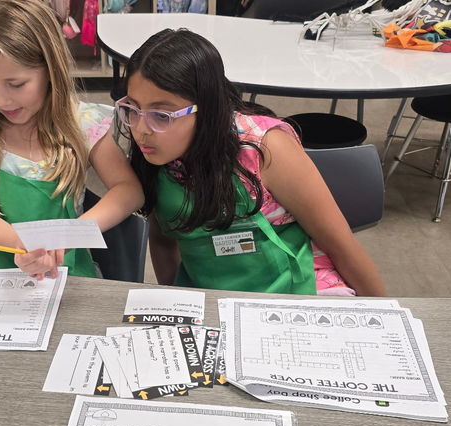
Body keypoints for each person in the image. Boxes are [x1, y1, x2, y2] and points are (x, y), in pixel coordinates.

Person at [116, 29, 386, 296]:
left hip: (294, 292)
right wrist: (174, 302)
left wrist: (389, 318)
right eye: (133, 108)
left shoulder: (264, 149)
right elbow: (163, 239)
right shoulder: (152, 152)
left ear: (207, 107)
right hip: (206, 294)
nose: (141, 129)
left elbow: (342, 246)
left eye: (162, 115)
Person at [0, 0, 143, 279]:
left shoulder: (82, 124)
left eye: (17, 84)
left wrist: (68, 236)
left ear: (50, 70)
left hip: (64, 270)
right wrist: (27, 246)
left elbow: (129, 191)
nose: (1, 99)